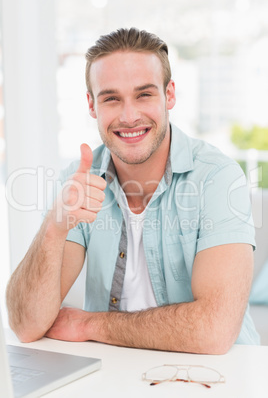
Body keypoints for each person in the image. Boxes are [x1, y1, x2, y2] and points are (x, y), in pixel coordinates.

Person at [6, 27, 260, 354]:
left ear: (169, 95)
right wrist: (54, 228)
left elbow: (213, 331)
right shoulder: (80, 179)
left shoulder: (218, 178)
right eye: (111, 98)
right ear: (92, 105)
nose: (129, 116)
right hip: (117, 374)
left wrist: (88, 324)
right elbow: (25, 325)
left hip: (217, 378)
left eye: (144, 94)